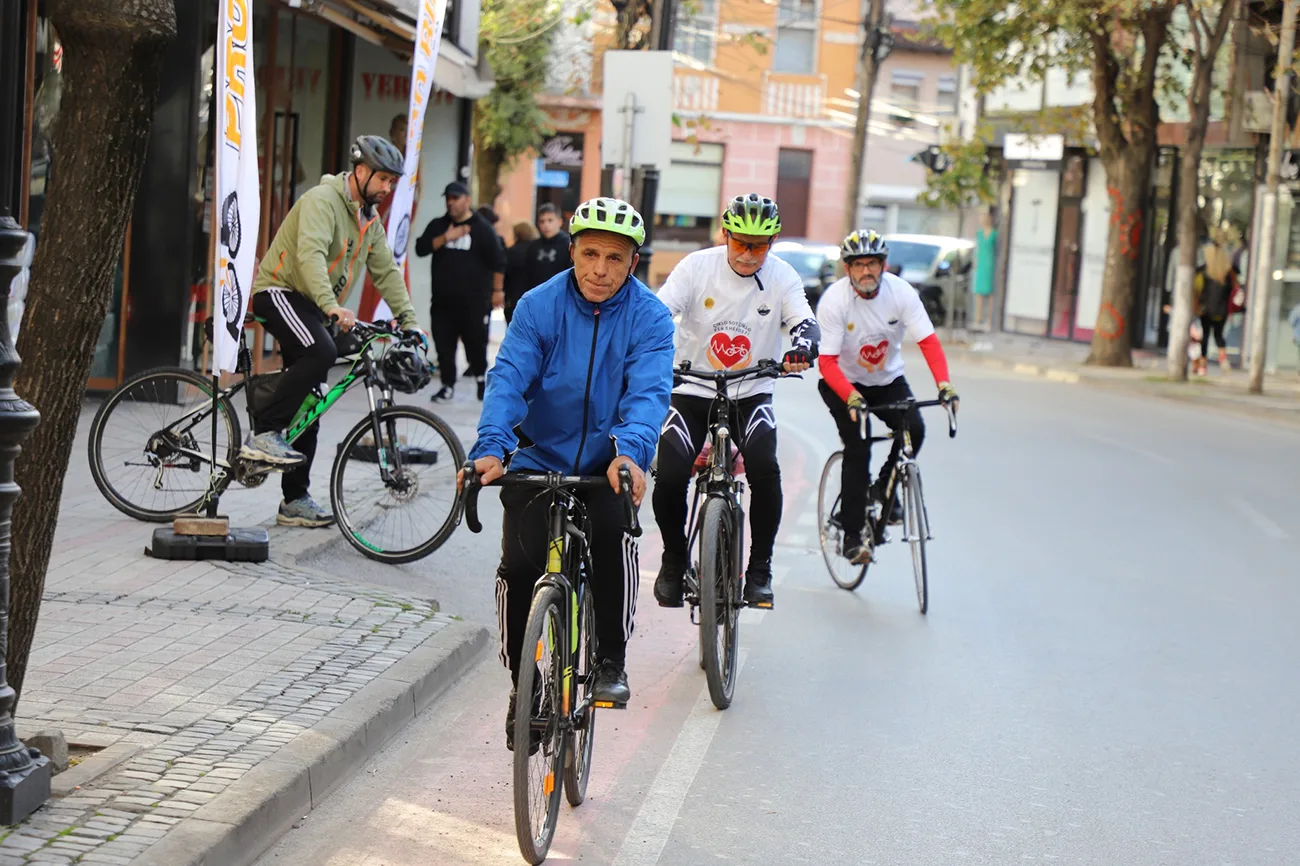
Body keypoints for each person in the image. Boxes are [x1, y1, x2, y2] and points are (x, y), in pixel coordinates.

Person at [460, 197, 674, 750]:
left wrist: (630, 452)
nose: (600, 270)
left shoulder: (649, 316)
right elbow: (509, 377)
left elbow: (649, 393)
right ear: (572, 251)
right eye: (590, 254)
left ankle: (609, 660)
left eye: (616, 258)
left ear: (632, 262)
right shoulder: (538, 306)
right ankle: (522, 685)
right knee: (518, 565)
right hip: (538, 456)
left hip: (608, 461)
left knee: (612, 538)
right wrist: (492, 446)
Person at [651, 193, 820, 610]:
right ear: (724, 234)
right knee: (670, 473)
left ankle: (760, 570)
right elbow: (658, 312)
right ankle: (673, 560)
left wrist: (803, 345)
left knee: (765, 465)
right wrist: (645, 346)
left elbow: (804, 319)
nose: (747, 254)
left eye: (758, 245)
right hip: (691, 387)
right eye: (740, 242)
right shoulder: (695, 267)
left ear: (773, 242)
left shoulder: (783, 277)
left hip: (751, 390)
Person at [245, 135, 422, 527]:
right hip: (280, 292)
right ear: (360, 171)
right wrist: (331, 306)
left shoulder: (368, 220)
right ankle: (264, 431)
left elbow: (387, 273)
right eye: (383, 180)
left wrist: (410, 322)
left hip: (313, 306)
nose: (388, 188)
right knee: (321, 353)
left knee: (314, 402)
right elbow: (309, 256)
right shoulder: (320, 202)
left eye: (393, 182)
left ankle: (294, 500)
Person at [816, 230, 958, 564]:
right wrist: (850, 397)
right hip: (844, 384)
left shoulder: (901, 293)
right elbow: (826, 362)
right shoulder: (835, 301)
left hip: (887, 379)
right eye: (859, 265)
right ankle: (852, 537)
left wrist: (944, 385)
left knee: (916, 430)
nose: (866, 271)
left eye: (873, 264)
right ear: (848, 269)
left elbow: (928, 342)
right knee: (859, 446)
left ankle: (882, 487)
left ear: (883, 266)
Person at [414, 181, 507, 402]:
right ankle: (447, 385)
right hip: (443, 300)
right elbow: (421, 248)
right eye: (448, 198)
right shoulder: (439, 225)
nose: (451, 202)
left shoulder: (482, 228)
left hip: (473, 301)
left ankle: (480, 380)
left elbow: (498, 261)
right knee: (444, 344)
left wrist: (497, 291)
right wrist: (447, 237)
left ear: (467, 199)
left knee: (475, 342)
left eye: (455, 198)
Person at [525, 202, 572, 290]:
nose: (546, 225)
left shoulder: (568, 245)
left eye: (550, 220)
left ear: (559, 222)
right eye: (542, 221)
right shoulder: (533, 246)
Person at [502, 220, 539, 325]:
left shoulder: (511, 252)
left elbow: (506, 274)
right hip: (534, 296)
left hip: (513, 296)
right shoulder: (538, 250)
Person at [972, 211, 997, 330]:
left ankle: (989, 320)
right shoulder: (979, 233)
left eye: (983, 218)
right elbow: (977, 250)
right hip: (980, 265)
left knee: (990, 294)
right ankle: (977, 320)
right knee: (979, 294)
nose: (981, 220)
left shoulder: (994, 234)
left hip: (990, 265)